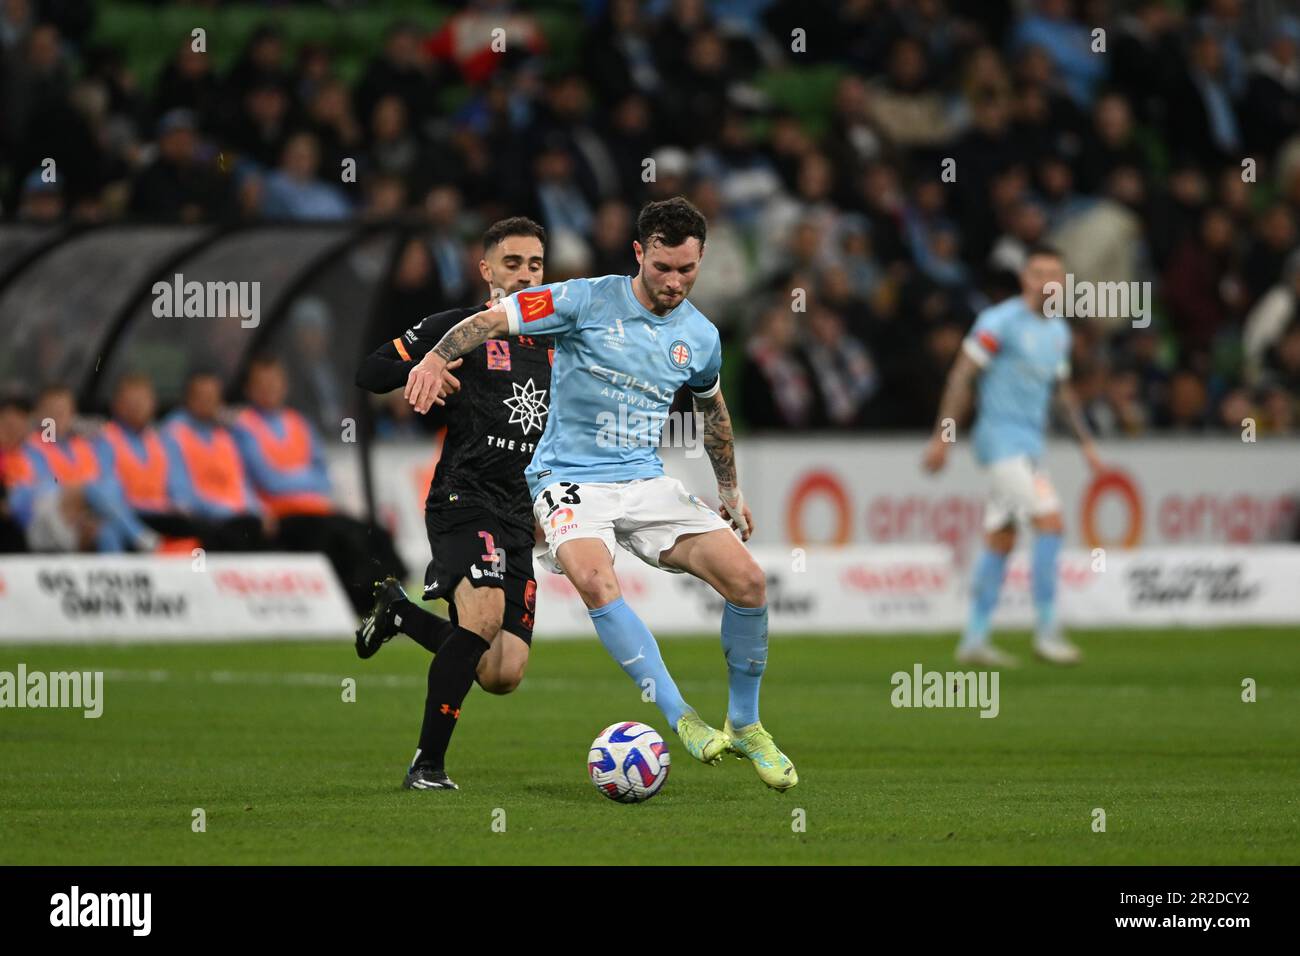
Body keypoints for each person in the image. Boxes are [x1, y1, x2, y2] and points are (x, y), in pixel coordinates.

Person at [404, 197, 797, 791]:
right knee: (595, 579)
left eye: (687, 270)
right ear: (638, 253)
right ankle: (681, 718)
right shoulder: (583, 300)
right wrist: (434, 358)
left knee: (749, 582)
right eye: (662, 268)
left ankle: (744, 724)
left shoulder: (701, 335)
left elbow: (711, 408)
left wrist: (730, 490)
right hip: (568, 479)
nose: (674, 282)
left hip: (643, 480)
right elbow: (491, 319)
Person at [354, 216, 551, 791]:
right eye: (512, 264)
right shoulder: (458, 328)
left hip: (517, 512)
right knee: (484, 616)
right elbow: (370, 370)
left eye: (535, 264)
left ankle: (400, 612)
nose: (524, 276)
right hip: (462, 498)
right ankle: (427, 766)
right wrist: (421, 368)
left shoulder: (560, 336)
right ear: (487, 270)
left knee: (501, 670)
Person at [923, 244, 1101, 666]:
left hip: (1029, 448)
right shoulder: (998, 322)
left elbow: (1061, 394)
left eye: (1054, 273)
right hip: (1000, 444)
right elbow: (962, 375)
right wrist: (942, 436)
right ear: (1025, 278)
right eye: (1038, 272)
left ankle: (975, 639)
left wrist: (1087, 443)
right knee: (1051, 522)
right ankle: (1048, 631)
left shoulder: (1058, 332)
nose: (1047, 281)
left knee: (1001, 538)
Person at [233, 354, 405, 615]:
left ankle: (395, 598)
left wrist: (289, 475)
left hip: (317, 509)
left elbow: (322, 477)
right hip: (281, 514)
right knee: (338, 540)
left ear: (284, 385)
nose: (269, 388)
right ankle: (358, 605)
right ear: (249, 389)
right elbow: (268, 480)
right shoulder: (243, 426)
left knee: (374, 533)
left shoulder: (298, 423)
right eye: (262, 383)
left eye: (274, 382)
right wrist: (302, 476)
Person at [159, 371, 268, 550]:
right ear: (188, 399)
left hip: (236, 516)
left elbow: (241, 482)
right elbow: (180, 493)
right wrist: (226, 511)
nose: (207, 402)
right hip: (204, 517)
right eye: (201, 396)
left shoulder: (224, 436)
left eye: (212, 397)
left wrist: (257, 510)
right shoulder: (174, 434)